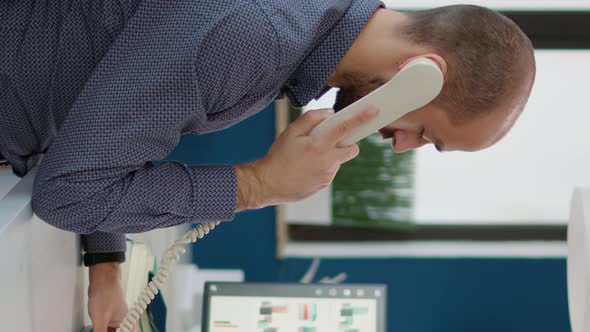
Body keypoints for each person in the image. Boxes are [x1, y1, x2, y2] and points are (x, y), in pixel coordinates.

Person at [0, 0, 535, 330]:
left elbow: (123, 112)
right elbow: (67, 195)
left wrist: (106, 259)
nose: (400, 145)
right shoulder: (249, 39)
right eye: (427, 134)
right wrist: (256, 185)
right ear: (420, 75)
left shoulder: (293, 28)